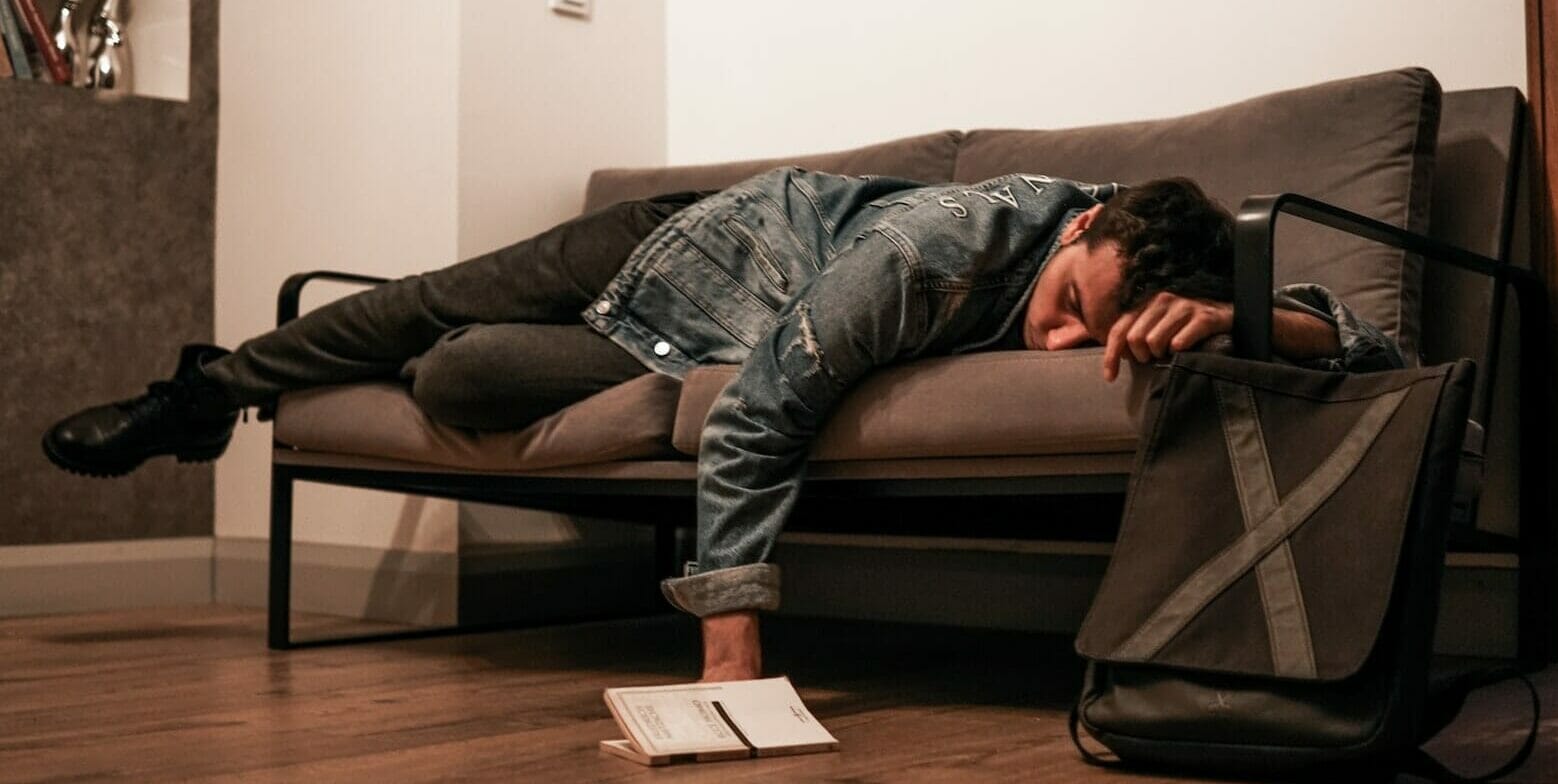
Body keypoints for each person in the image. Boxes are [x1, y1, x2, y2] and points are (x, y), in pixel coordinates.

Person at [43, 167, 1401, 681]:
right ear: (1079, 229)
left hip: (690, 339)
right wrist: (733, 642)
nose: (1059, 348)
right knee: (421, 310)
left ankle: (611, 391)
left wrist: (1249, 323)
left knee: (457, 380)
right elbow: (761, 425)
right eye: (1059, 307)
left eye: (1088, 339)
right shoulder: (936, 252)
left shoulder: (1167, 246)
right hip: (674, 254)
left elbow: (1380, 345)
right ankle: (199, 395)